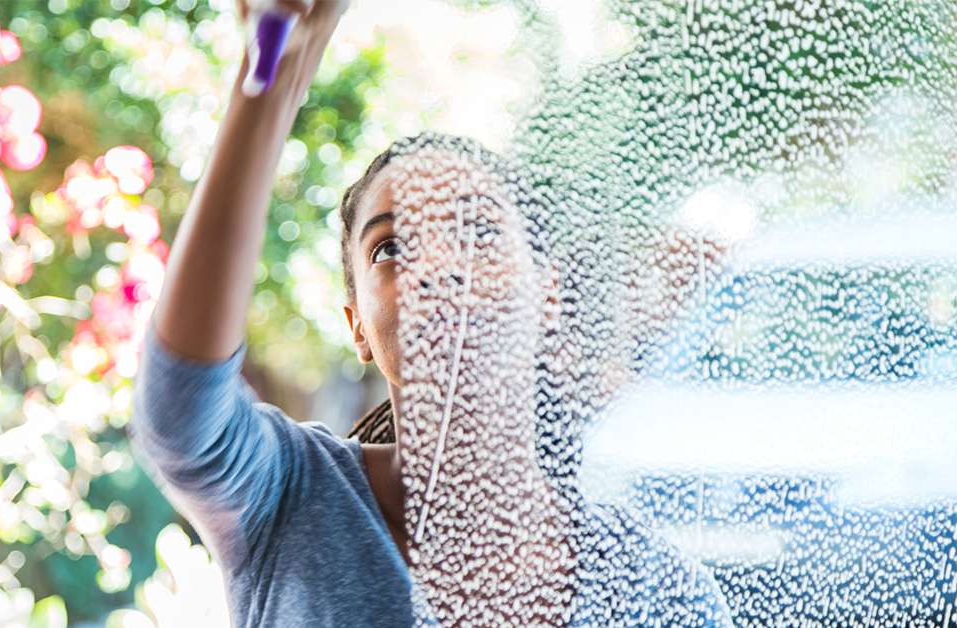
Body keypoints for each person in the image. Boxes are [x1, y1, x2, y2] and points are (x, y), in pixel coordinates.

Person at [128, 0, 735, 625]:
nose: (437, 267)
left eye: (479, 232)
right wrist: (266, 90)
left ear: (547, 293)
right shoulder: (290, 495)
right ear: (357, 325)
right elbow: (179, 416)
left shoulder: (660, 591)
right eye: (391, 248)